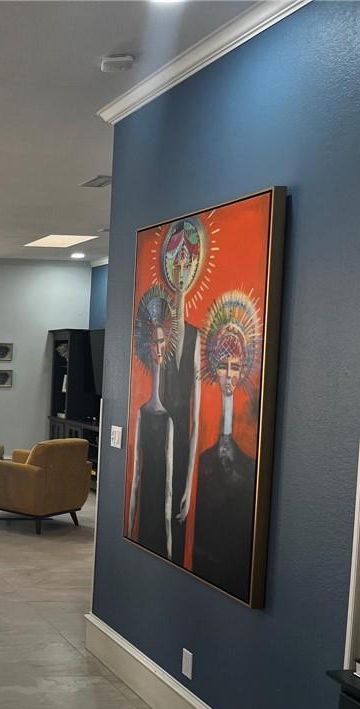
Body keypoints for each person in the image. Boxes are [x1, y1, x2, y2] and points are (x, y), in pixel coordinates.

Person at [193, 291, 260, 601]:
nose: (230, 375)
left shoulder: (248, 466)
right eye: (223, 366)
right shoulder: (204, 461)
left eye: (236, 366)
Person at [159, 218, 204, 565]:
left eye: (187, 264)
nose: (182, 270)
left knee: (177, 514)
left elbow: (199, 418)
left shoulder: (196, 337)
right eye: (176, 263)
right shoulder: (158, 334)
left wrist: (190, 481)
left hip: (183, 437)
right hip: (157, 435)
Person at [127, 285, 178, 559]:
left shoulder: (168, 419)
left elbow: (170, 487)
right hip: (145, 502)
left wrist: (170, 546)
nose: (158, 349)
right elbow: (135, 477)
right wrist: (129, 524)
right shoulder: (142, 412)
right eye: (154, 343)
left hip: (160, 506)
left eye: (162, 342)